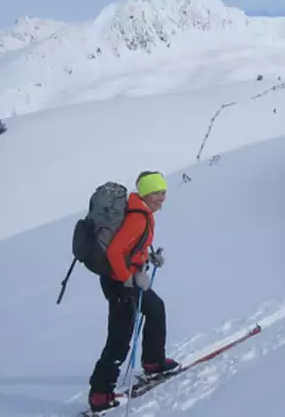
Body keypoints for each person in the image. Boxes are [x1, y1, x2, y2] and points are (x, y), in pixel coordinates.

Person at [87, 171, 179, 412]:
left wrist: (149, 257)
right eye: (159, 193)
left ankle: (153, 362)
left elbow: (132, 246)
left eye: (164, 192)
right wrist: (127, 278)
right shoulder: (138, 217)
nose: (163, 197)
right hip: (120, 283)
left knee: (155, 308)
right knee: (120, 336)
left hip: (128, 279)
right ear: (147, 193)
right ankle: (100, 392)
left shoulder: (142, 212)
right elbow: (114, 252)